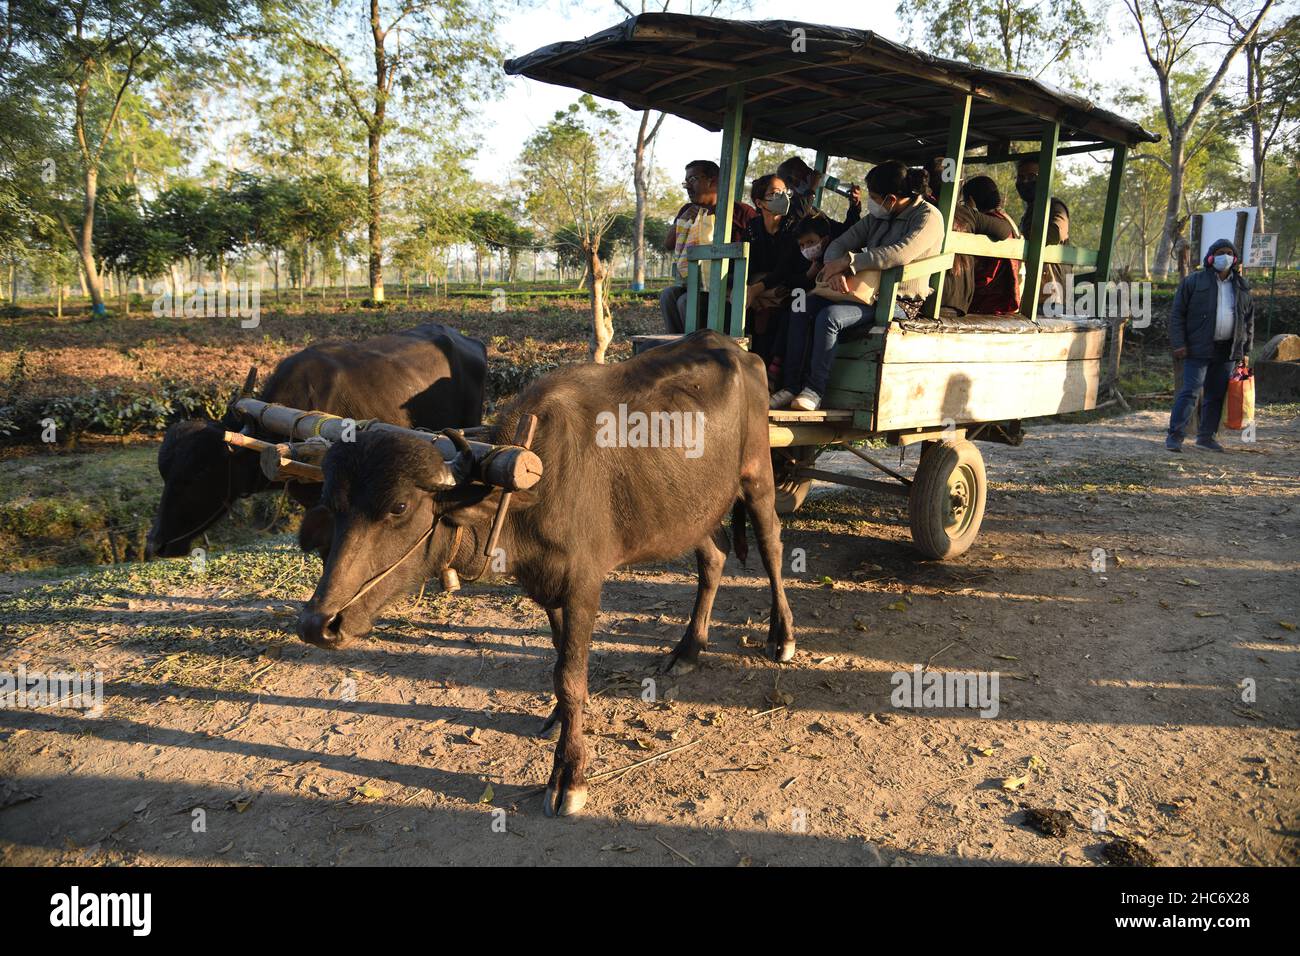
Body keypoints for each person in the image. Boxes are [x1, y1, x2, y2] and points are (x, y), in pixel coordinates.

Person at [770, 160, 944, 411]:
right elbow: (839, 243)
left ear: (892, 199)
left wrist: (850, 264)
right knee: (801, 305)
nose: (871, 203)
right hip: (859, 292)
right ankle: (790, 386)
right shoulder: (877, 217)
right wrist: (834, 269)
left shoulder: (928, 217)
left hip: (895, 300)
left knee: (830, 317)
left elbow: (898, 254)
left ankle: (814, 390)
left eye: (874, 197)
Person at [1165, 238, 1255, 453]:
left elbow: (1248, 320)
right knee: (1190, 391)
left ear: (1235, 259)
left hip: (1227, 350)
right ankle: (1175, 437)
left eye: (1230, 253)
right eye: (1221, 252)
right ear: (1211, 257)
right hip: (1197, 347)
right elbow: (1177, 314)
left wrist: (1245, 350)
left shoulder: (1242, 286)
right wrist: (1179, 343)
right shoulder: (1193, 281)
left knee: (1216, 394)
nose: (1226, 257)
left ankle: (1206, 437)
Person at [661, 160, 756, 334]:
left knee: (685, 302)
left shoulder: (741, 212)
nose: (687, 187)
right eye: (686, 182)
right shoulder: (689, 210)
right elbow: (668, 244)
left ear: (713, 181)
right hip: (696, 284)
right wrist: (683, 221)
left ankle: (699, 351)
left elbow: (757, 253)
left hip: (728, 286)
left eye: (693, 180)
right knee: (668, 295)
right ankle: (677, 351)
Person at [1015, 157, 1071, 314]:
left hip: (1052, 295)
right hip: (1035, 292)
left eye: (1031, 177)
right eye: (1021, 177)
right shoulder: (1030, 211)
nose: (1025, 182)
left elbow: (1055, 232)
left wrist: (1023, 239)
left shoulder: (1054, 206)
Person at [962, 175, 1022, 315]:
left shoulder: (987, 223)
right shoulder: (1006, 219)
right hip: (1007, 299)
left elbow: (983, 271)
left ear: (970, 200)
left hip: (988, 302)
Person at [776, 156, 862, 225]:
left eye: (809, 173)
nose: (809, 178)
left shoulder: (817, 214)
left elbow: (845, 232)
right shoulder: (784, 212)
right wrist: (812, 189)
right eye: (803, 175)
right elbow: (801, 214)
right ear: (789, 185)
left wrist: (854, 205)